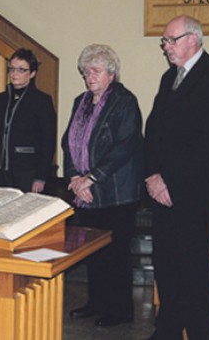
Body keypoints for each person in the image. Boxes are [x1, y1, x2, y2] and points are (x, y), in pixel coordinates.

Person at [144, 15, 209, 339]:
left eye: (171, 40)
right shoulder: (169, 77)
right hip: (163, 192)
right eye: (165, 41)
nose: (166, 46)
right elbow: (152, 130)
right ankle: (167, 331)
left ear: (193, 39)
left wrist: (169, 180)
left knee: (194, 271)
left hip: (194, 193)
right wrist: (153, 176)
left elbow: (208, 141)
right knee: (166, 267)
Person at [62, 44, 144, 327]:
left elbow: (124, 146)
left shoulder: (124, 101)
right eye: (86, 71)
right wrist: (74, 178)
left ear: (111, 73)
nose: (89, 76)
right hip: (86, 192)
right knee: (92, 252)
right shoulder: (80, 101)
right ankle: (96, 302)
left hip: (116, 192)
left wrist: (92, 177)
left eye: (95, 70)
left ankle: (119, 310)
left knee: (115, 254)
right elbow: (67, 142)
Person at [0, 48, 56, 193]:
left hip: (28, 171)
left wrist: (41, 177)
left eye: (21, 70)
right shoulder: (1, 100)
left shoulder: (42, 101)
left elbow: (48, 141)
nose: (14, 73)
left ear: (32, 73)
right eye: (11, 69)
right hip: (1, 170)